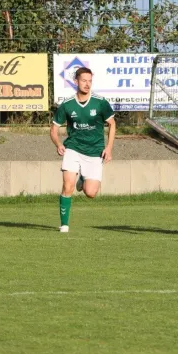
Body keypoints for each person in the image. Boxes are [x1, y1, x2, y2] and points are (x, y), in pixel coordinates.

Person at [50, 67, 116, 233]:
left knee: (91, 192)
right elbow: (53, 128)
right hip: (73, 148)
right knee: (67, 186)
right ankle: (64, 224)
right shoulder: (67, 104)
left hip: (95, 151)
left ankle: (83, 180)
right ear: (76, 82)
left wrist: (109, 148)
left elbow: (112, 124)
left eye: (90, 81)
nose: (87, 84)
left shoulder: (100, 102)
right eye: (84, 80)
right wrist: (58, 144)